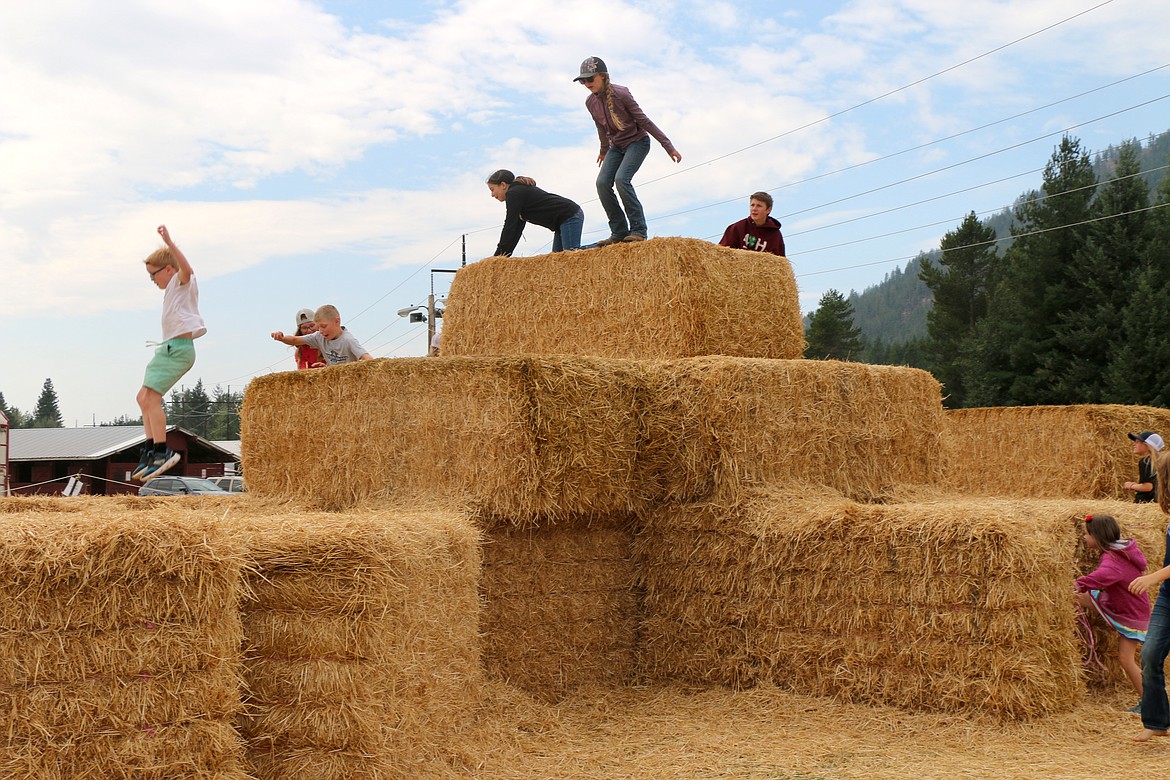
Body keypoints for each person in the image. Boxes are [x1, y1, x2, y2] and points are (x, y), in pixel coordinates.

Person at [574, 56, 681, 245]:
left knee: (622, 179)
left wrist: (667, 145)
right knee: (602, 183)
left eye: (590, 79)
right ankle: (619, 232)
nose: (586, 83)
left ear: (603, 76)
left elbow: (644, 120)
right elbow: (601, 128)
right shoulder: (590, 102)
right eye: (583, 80)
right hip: (615, 146)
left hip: (637, 142)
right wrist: (603, 150)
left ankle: (639, 229)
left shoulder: (621, 94)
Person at [133, 225, 206, 481]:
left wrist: (169, 242)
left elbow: (186, 268)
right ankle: (152, 450)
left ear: (168, 269)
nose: (152, 280)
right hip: (168, 349)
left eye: (153, 275)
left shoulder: (182, 281)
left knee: (151, 399)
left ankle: (163, 451)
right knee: (143, 398)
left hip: (179, 349)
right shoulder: (171, 292)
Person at [1074, 514, 1150, 710]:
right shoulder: (1119, 552)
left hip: (1130, 613)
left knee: (1126, 659)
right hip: (1128, 606)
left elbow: (1102, 576)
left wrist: (1078, 584)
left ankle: (1150, 703)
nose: (1084, 538)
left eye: (1087, 534)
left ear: (1097, 536)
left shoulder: (1113, 560)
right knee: (1088, 598)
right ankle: (1150, 701)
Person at [1130, 452, 1170, 741]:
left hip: (1164, 587)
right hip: (1169, 598)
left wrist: (1152, 577)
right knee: (1150, 655)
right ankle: (1156, 724)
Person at [486, 170, 584, 256]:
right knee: (557, 259)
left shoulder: (513, 193)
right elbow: (516, 231)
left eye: (492, 189)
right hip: (561, 221)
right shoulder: (518, 196)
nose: (492, 195)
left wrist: (498, 256)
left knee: (571, 254)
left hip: (569, 215)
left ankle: (599, 247)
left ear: (503, 185)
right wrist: (503, 256)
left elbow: (509, 226)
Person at [271, 304, 372, 365]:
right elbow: (295, 340)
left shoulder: (348, 340)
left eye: (323, 326)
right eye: (318, 327)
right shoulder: (319, 337)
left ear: (337, 322)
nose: (321, 331)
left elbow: (368, 359)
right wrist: (282, 338)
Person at [719, 191, 787, 257]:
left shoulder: (775, 235)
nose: (754, 209)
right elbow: (722, 253)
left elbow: (780, 262)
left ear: (768, 210)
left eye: (759, 206)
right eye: (752, 205)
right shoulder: (737, 228)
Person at [1125, 431, 1162, 503]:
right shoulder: (1158, 461)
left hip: (1145, 502)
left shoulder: (1145, 462)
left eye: (1138, 442)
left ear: (1147, 445)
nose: (1134, 444)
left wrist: (1131, 485)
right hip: (1155, 502)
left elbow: (1148, 487)